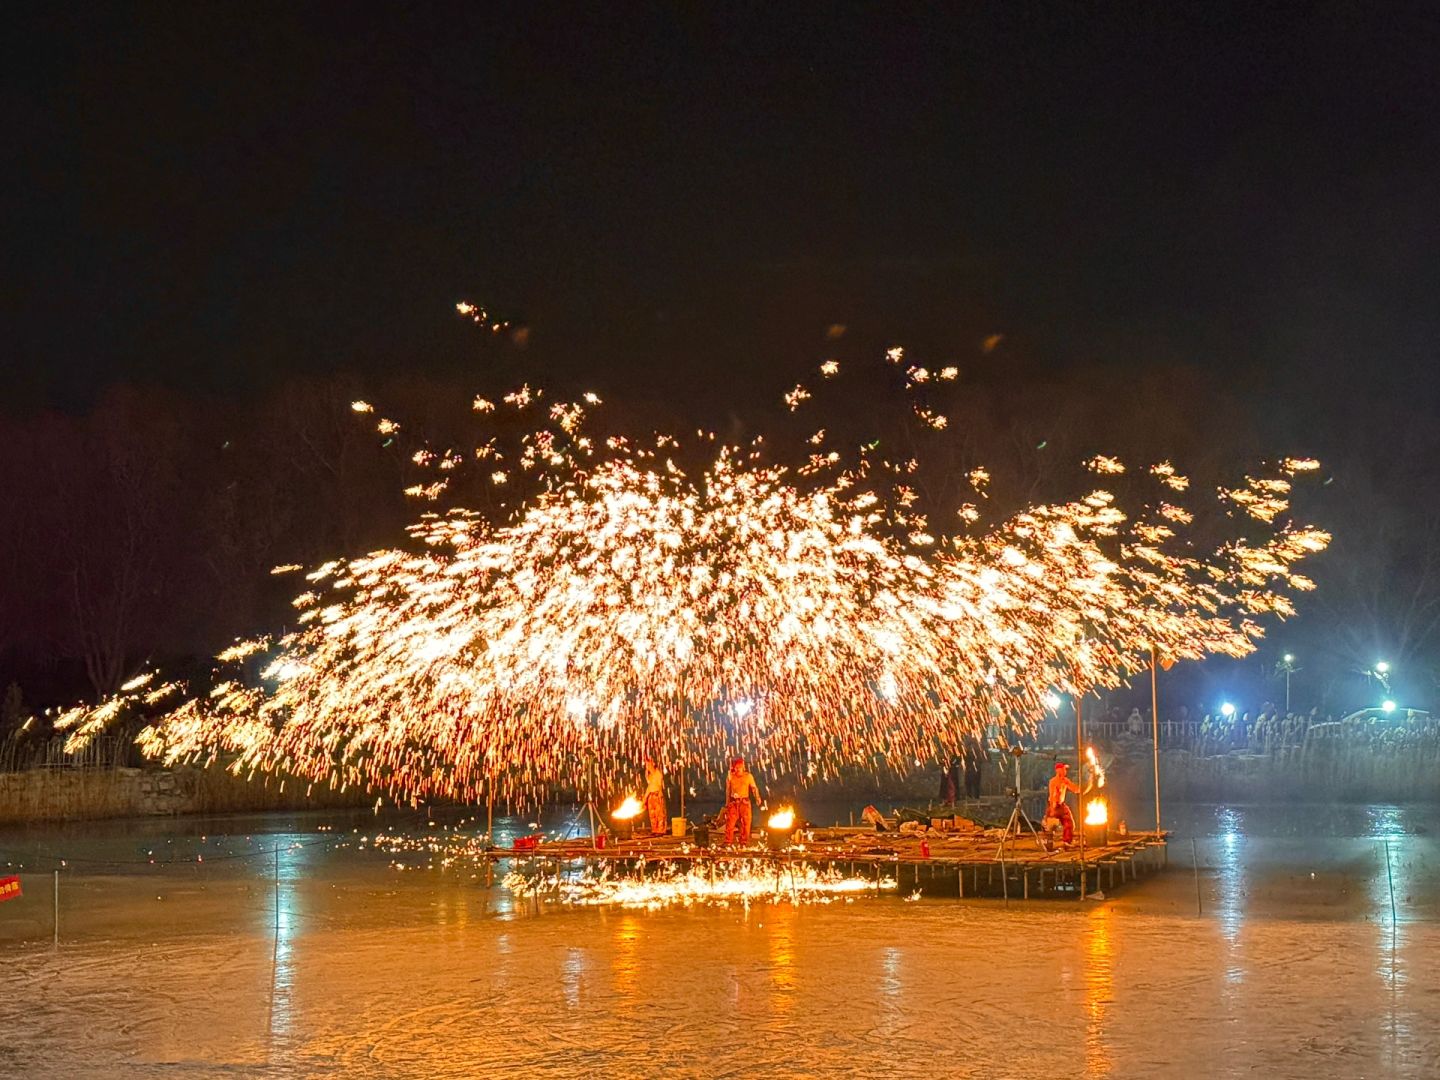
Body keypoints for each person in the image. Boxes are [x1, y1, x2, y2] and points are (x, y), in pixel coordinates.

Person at [723, 756, 761, 844]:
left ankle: (744, 842)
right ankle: (728, 841)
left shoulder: (748, 776)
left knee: (746, 824)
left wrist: (757, 797)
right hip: (733, 803)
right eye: (736, 767)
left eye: (740, 767)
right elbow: (728, 790)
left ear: (743, 767)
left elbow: (754, 788)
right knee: (730, 824)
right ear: (734, 767)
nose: (738, 769)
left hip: (745, 803)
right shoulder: (730, 776)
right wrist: (727, 803)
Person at [1047, 762, 1081, 845]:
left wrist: (1082, 788)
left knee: (1069, 824)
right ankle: (1050, 842)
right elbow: (1052, 795)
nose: (1065, 771)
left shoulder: (1065, 780)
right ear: (1059, 770)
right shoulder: (1053, 781)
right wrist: (1052, 808)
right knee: (1051, 826)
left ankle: (1067, 842)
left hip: (1061, 805)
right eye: (1064, 769)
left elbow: (1075, 789)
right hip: (1054, 805)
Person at [643, 757, 667, 836]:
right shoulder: (650, 776)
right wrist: (645, 797)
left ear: (653, 764)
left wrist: (660, 793)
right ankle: (654, 830)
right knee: (652, 814)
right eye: (646, 765)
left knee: (659, 814)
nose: (647, 767)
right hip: (651, 796)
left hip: (657, 795)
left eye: (648, 764)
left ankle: (660, 830)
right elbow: (649, 787)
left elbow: (659, 785)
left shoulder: (658, 774)